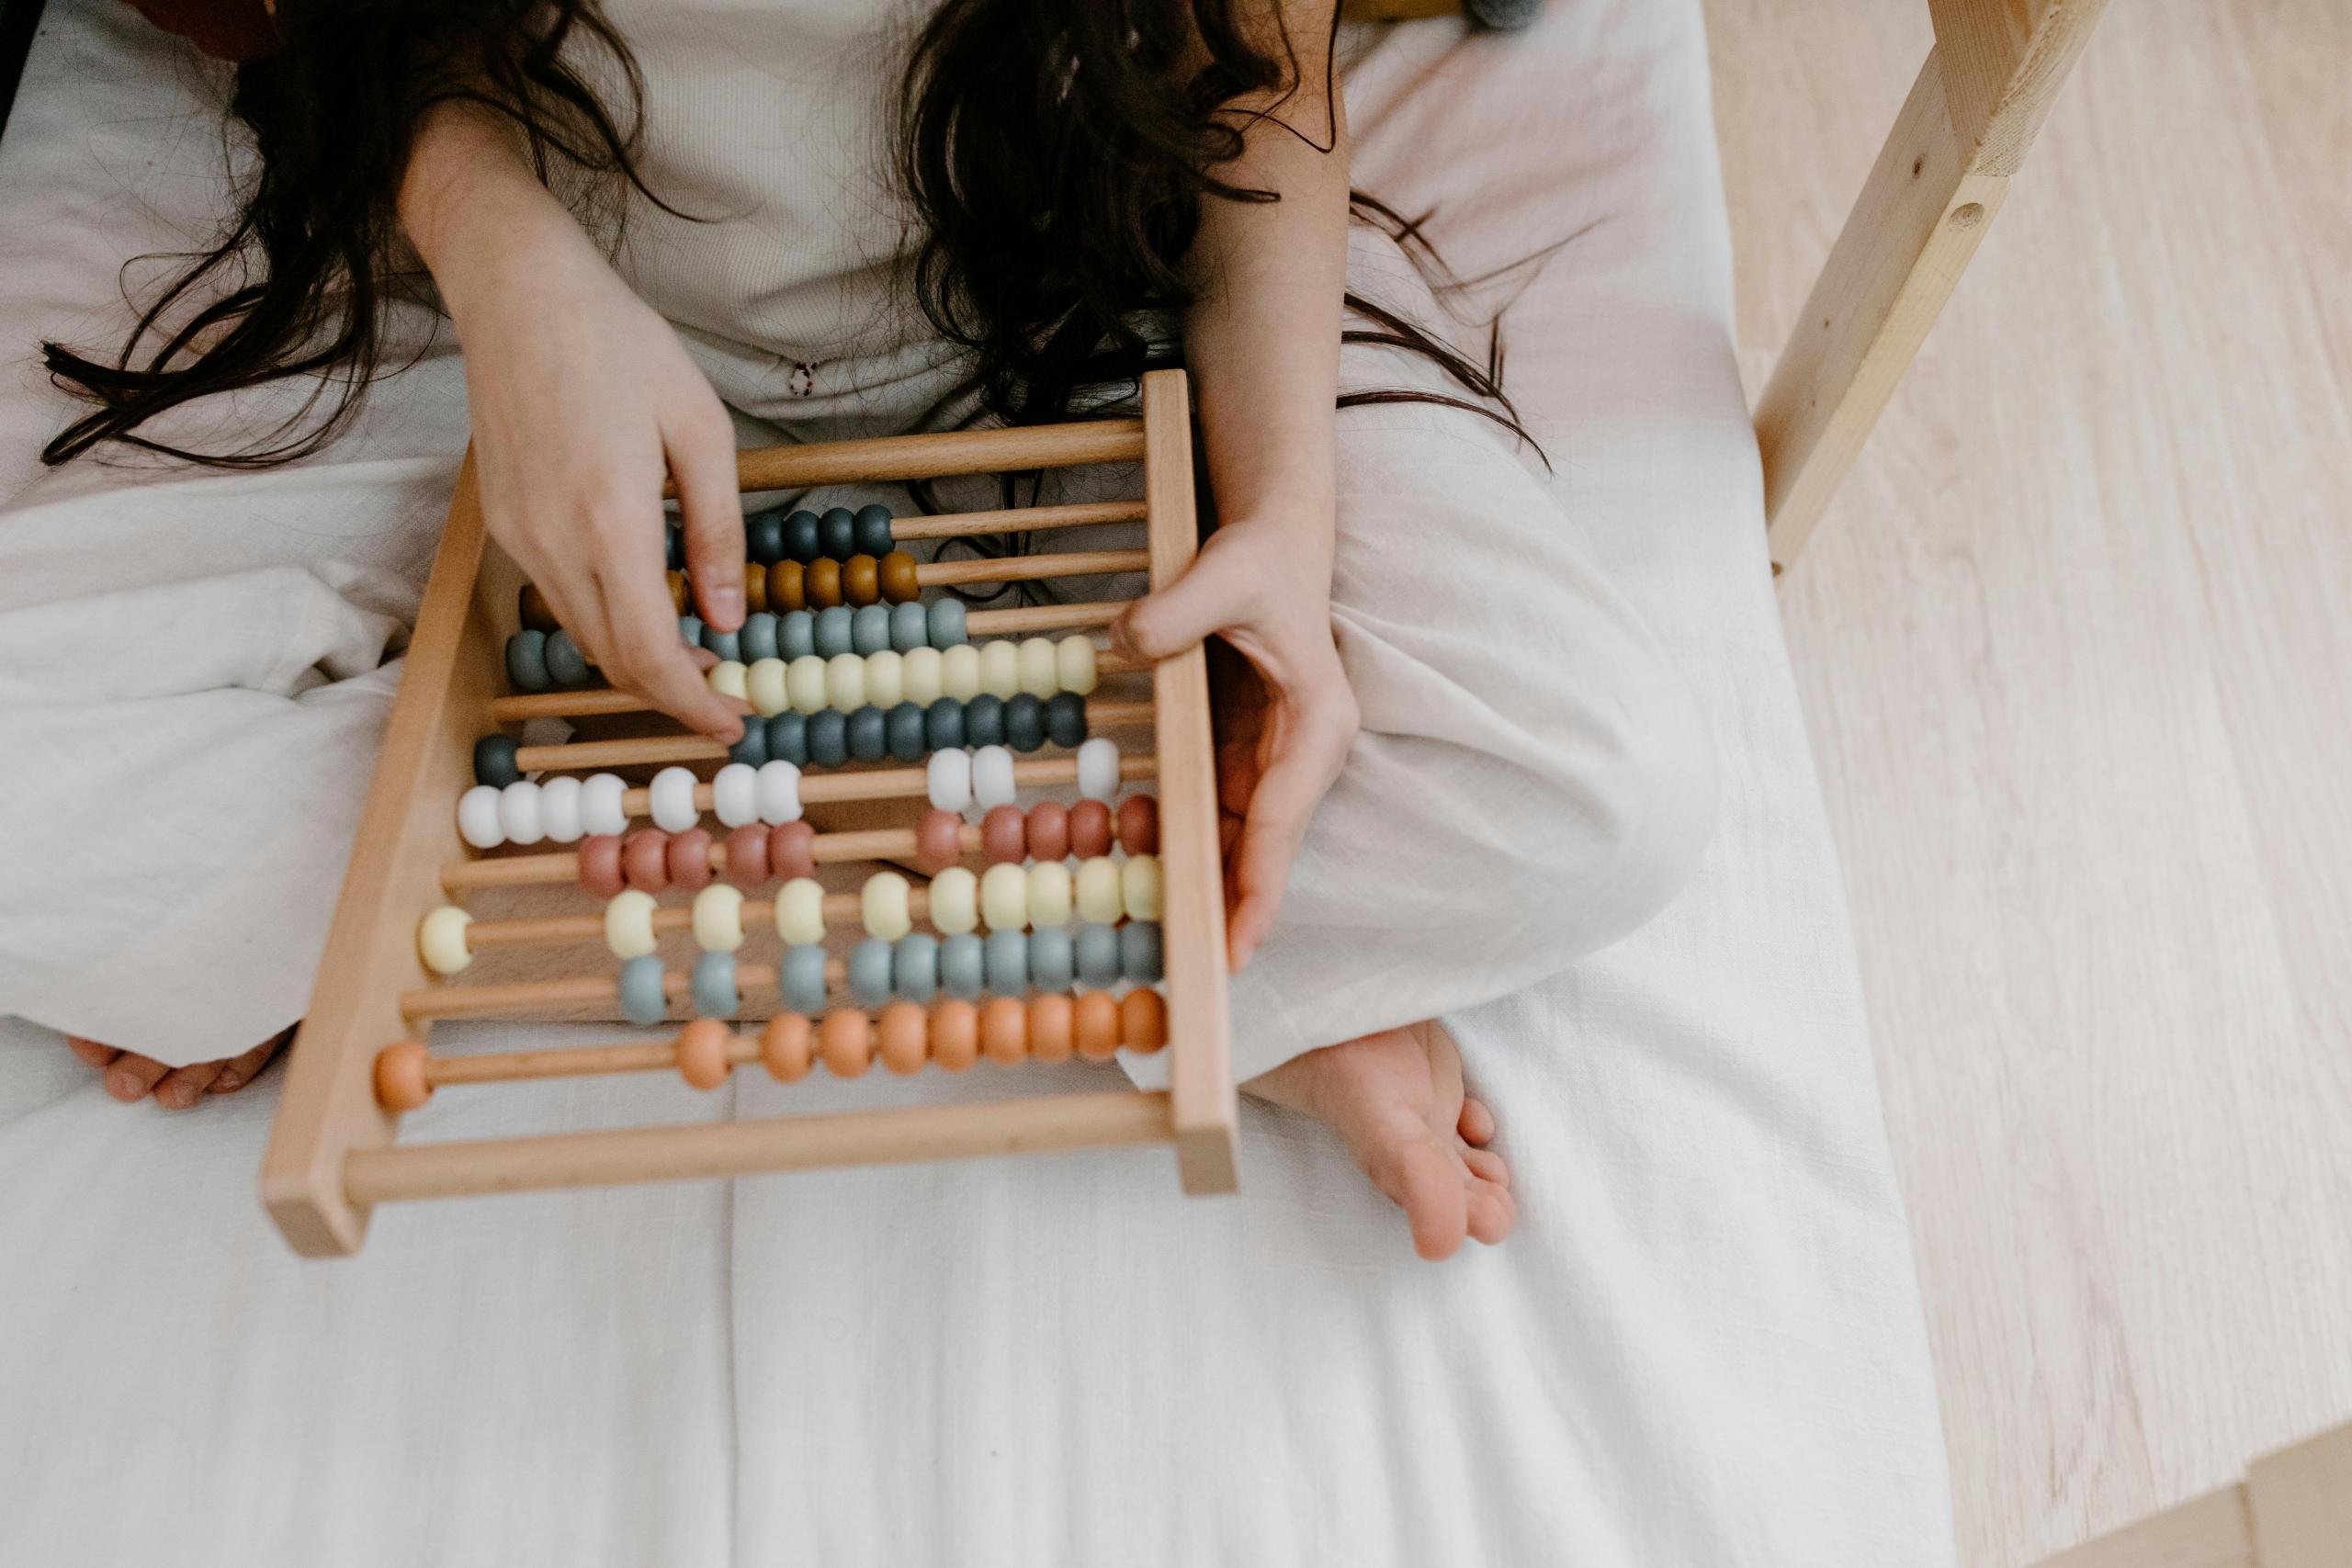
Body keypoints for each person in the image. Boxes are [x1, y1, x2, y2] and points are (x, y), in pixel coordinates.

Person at [44, 0, 1715, 1260]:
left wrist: (1280, 520)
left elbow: (1256, 68)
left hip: (1055, 292)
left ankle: (1085, 932)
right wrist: (494, 249)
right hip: (518, 326)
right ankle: (1175, 939)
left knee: (1593, 791)